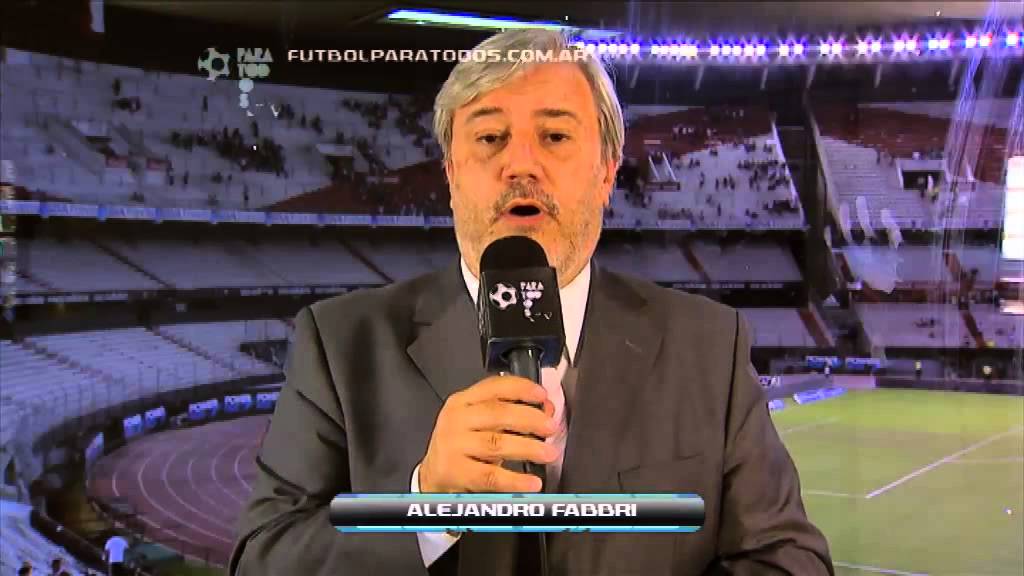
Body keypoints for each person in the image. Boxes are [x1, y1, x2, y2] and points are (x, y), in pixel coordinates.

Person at [231, 29, 831, 576]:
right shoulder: (340, 344)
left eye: (555, 136)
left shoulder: (708, 345)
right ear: (451, 173)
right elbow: (262, 560)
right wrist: (425, 505)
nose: (520, 164)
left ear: (606, 172)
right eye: (490, 137)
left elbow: (788, 559)